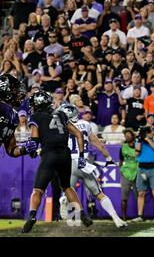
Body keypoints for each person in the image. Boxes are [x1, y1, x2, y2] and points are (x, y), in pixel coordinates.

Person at [21, 91, 93, 233]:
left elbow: (34, 141)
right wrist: (82, 156)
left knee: (38, 190)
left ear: (37, 105)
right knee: (67, 187)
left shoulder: (35, 117)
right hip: (65, 154)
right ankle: (83, 215)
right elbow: (79, 134)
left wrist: (32, 151)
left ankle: (32, 217)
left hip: (50, 154)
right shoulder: (61, 114)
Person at [56, 104, 127, 228]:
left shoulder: (61, 127)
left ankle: (63, 199)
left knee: (68, 192)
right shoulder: (86, 125)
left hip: (69, 163)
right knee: (98, 193)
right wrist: (109, 158)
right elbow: (100, 145)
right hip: (83, 163)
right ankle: (116, 218)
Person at [133, 126, 154, 222]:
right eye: (149, 132)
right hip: (141, 168)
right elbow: (136, 154)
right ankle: (140, 216)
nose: (152, 133)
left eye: (150, 132)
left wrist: (148, 140)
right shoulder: (139, 142)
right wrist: (140, 140)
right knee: (141, 193)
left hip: (153, 169)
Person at [0, 74, 32, 158]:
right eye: (15, 88)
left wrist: (23, 149)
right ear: (5, 89)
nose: (18, 92)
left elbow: (11, 149)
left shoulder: (13, 116)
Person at [119, 128, 138, 221]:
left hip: (137, 172)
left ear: (133, 136)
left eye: (129, 134)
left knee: (138, 195)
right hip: (126, 173)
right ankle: (123, 217)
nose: (127, 136)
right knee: (124, 197)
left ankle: (140, 216)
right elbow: (120, 160)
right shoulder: (123, 147)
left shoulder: (138, 146)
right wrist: (121, 170)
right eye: (125, 135)